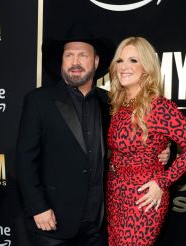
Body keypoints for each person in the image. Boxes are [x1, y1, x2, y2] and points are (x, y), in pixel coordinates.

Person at [16, 24, 170, 246]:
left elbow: (138, 138)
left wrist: (164, 149)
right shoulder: (39, 101)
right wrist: (38, 207)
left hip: (98, 224)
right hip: (53, 223)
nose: (75, 62)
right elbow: (24, 160)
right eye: (68, 55)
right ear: (61, 61)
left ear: (96, 62)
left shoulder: (111, 102)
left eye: (82, 55)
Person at [106, 36, 186, 245]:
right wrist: (166, 145)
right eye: (120, 60)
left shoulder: (159, 107)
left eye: (133, 60)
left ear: (147, 67)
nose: (124, 67)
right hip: (115, 192)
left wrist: (163, 182)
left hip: (144, 197)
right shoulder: (119, 104)